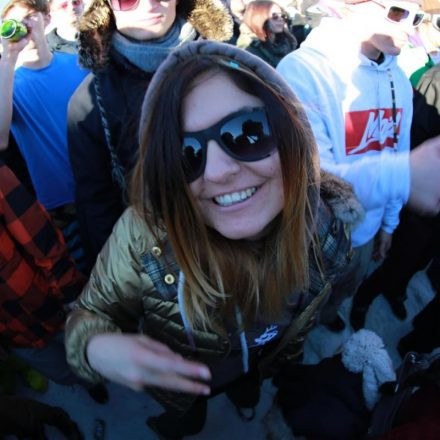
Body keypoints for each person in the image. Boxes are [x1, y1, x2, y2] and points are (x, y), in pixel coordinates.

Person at [64, 40, 363, 439]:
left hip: (263, 364)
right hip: (180, 388)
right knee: (186, 420)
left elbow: (335, 294)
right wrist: (94, 346)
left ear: (291, 133)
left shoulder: (328, 228)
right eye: (186, 154)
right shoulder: (145, 236)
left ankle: (247, 396)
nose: (219, 171)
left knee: (248, 388)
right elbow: (90, 312)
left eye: (246, 132)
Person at [277, 0, 440, 331]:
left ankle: (329, 314)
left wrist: (389, 224)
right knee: (294, 313)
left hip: (365, 234)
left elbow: (398, 149)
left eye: (419, 17)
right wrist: (405, 175)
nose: (410, 27)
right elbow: (312, 179)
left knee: (340, 293)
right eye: (397, 11)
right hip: (313, 237)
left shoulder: (399, 78)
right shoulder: (301, 70)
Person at [67, 0, 234, 273]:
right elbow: (97, 209)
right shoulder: (88, 103)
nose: (149, 4)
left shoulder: (230, 64)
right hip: (162, 264)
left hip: (245, 244)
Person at [0, 0, 89, 270]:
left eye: (30, 17)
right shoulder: (9, 84)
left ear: (47, 19)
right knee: (82, 275)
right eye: (12, 24)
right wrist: (8, 58)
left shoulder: (78, 64)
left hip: (99, 186)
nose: (23, 27)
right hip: (59, 206)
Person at [237, 0, 297, 67]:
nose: (281, 19)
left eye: (282, 15)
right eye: (275, 16)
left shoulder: (285, 40)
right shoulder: (248, 47)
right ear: (259, 18)